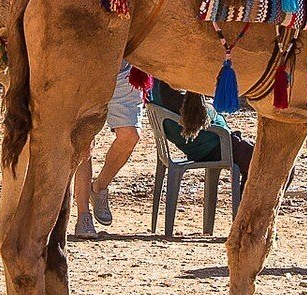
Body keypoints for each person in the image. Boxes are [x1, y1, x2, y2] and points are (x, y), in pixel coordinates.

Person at [71, 68, 142, 237]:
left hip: (124, 68)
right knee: (84, 143)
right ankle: (83, 216)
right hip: (88, 68)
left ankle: (99, 187)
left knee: (130, 136)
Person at [147, 80, 253, 176]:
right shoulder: (170, 89)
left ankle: (245, 195)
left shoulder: (156, 84)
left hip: (201, 144)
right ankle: (250, 197)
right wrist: (211, 106)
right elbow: (197, 115)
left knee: (251, 151)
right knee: (258, 158)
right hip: (212, 145)